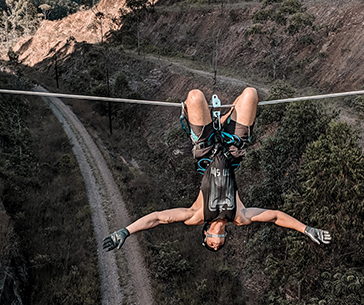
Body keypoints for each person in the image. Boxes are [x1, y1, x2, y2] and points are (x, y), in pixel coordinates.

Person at [103, 88, 331, 252]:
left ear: (205, 232)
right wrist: (306, 229)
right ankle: (223, 120)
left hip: (206, 149)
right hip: (233, 149)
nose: (218, 239)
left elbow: (157, 218)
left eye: (212, 241)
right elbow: (275, 216)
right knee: (251, 93)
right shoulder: (239, 217)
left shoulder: (196, 215)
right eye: (220, 243)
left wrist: (125, 231)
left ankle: (211, 123)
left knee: (194, 96)